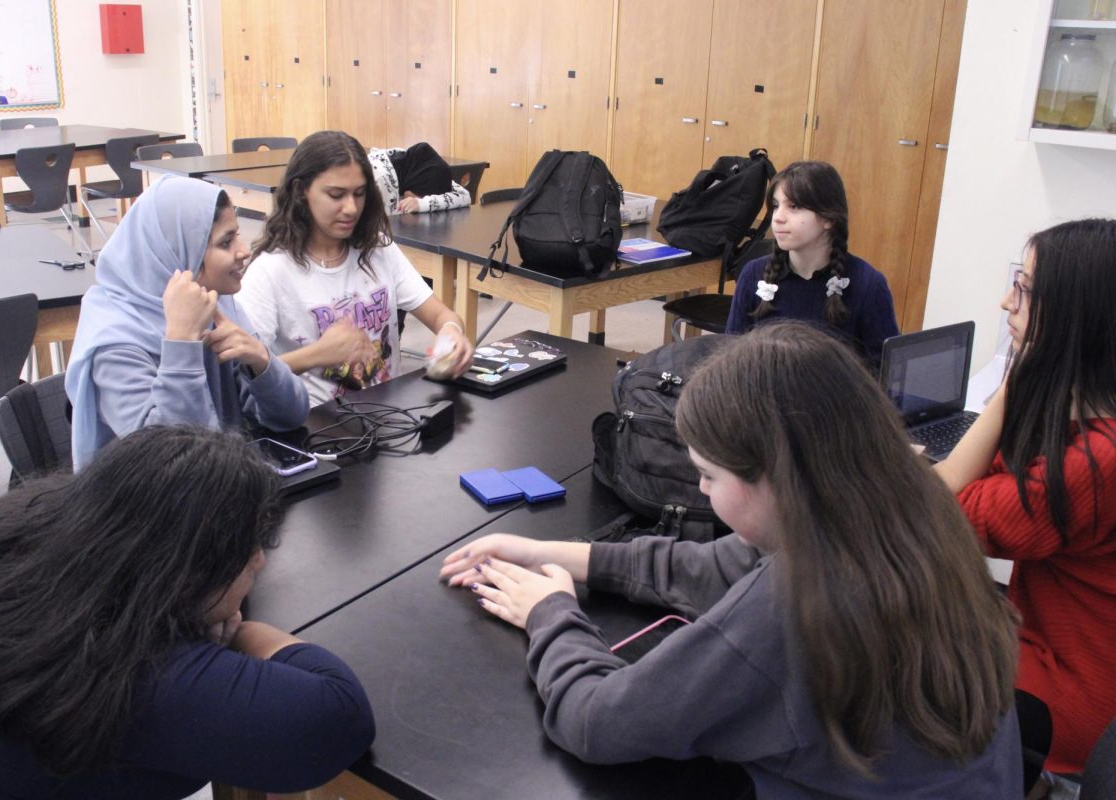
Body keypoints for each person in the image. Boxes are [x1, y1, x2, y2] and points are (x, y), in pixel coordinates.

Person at [441, 322, 1022, 798]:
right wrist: (554, 554)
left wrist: (552, 612)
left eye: (709, 475)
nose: (700, 488)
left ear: (775, 478)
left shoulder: (796, 603)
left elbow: (596, 722)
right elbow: (715, 565)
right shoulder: (907, 515)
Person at [0, 426, 375, 798]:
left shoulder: (12, 545)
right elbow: (340, 717)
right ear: (188, 575)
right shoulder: (134, 673)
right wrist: (241, 634)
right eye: (250, 550)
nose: (259, 561)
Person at [937, 218, 1116, 782]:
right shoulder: (1082, 417)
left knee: (879, 651)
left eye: (1026, 288)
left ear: (1073, 315)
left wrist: (1017, 381)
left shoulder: (1097, 464)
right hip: (1047, 646)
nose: (1006, 301)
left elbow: (945, 508)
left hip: (1069, 698)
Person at [64, 175, 309, 469]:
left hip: (222, 486)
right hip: (147, 507)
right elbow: (173, 464)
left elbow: (291, 416)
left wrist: (262, 361)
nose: (244, 251)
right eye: (226, 242)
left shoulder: (217, 304)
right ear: (179, 255)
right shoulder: (115, 344)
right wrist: (181, 342)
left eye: (238, 235)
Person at [240, 131, 473, 406]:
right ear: (300, 190)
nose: (351, 208)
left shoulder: (378, 248)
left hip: (387, 419)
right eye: (336, 195)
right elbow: (246, 377)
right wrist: (317, 354)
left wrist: (451, 333)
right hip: (316, 427)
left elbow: (442, 316)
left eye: (360, 194)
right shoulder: (269, 271)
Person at [725, 160, 899, 367]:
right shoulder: (753, 274)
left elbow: (885, 373)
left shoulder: (868, 284)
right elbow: (730, 358)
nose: (778, 218)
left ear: (829, 218)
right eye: (775, 205)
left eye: (794, 206)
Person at [368, 141, 471, 214]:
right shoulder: (377, 187)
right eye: (425, 196)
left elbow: (464, 195)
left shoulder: (407, 163)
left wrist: (422, 203)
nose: (426, 198)